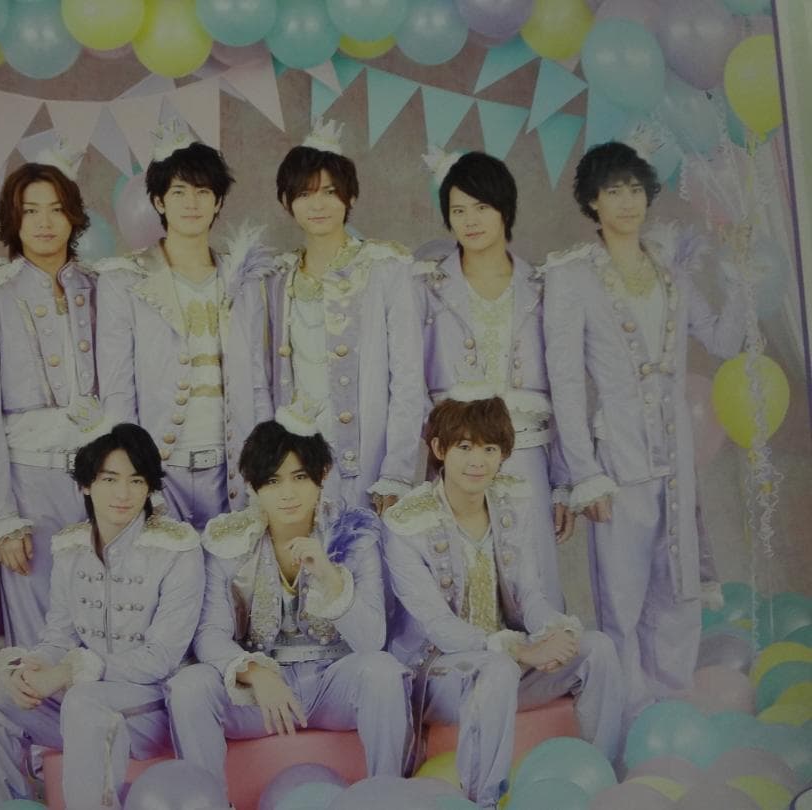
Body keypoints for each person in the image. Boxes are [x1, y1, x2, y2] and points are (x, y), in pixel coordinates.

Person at [543, 141, 744, 719]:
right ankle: (628, 717)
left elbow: (724, 340)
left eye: (635, 189)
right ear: (592, 201)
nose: (628, 202)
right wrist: (585, 475)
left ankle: (672, 707)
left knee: (678, 588)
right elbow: (566, 384)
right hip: (617, 458)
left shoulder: (671, 268)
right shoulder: (572, 277)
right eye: (614, 191)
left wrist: (739, 279)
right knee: (623, 596)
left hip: (676, 456)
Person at [383, 397, 622, 809]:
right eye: (464, 447)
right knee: (497, 668)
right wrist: (520, 651)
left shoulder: (511, 502)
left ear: (503, 454)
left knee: (597, 647)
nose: (478, 461)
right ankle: (485, 801)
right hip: (438, 675)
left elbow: (530, 593)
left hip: (508, 664)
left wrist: (556, 631)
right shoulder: (407, 523)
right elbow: (437, 624)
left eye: (490, 448)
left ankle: (603, 780)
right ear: (439, 449)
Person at [166, 411, 412, 787]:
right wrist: (255, 672)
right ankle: (208, 801)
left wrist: (330, 575)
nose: (287, 494)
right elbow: (210, 634)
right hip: (261, 692)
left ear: (322, 474)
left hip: (333, 683)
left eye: (299, 477)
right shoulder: (229, 540)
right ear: (253, 485)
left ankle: (387, 795)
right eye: (273, 480)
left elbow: (371, 640)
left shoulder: (354, 532)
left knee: (384, 671)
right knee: (189, 686)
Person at [0, 423, 204, 810]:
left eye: (136, 480)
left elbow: (161, 658)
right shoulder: (70, 547)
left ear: (149, 487)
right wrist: (29, 668)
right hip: (84, 700)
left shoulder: (177, 548)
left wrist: (68, 672)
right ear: (86, 486)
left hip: (153, 707)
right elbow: (58, 636)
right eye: (110, 479)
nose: (123, 494)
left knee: (83, 701)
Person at [415, 149, 572, 610]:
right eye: (458, 210)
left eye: (481, 207)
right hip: (455, 459)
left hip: (527, 455)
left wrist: (564, 480)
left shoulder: (544, 287)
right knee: (462, 586)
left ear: (505, 208)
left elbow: (566, 389)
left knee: (535, 588)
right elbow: (408, 382)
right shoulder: (425, 286)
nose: (470, 221)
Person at [95, 121, 272, 530]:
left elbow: (257, 382)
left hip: (232, 470)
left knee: (234, 567)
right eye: (178, 191)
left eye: (203, 191)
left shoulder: (245, 279)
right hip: (160, 469)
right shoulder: (125, 280)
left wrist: (262, 463)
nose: (191, 203)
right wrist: (130, 473)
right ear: (158, 201)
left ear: (218, 201)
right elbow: (118, 388)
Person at [0, 158, 104, 646]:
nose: (45, 222)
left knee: (108, 624)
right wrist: (4, 518)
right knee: (40, 637)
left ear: (74, 217)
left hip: (103, 480)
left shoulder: (101, 288)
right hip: (28, 484)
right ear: (13, 219)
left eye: (57, 209)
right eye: (30, 211)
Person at [265, 119, 425, 513]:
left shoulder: (385, 268)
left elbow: (408, 378)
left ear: (350, 197)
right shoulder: (277, 277)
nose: (317, 205)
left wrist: (397, 470)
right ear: (287, 202)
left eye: (330, 192)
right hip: (295, 458)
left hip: (366, 456)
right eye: (305, 194)